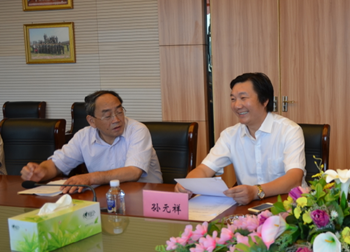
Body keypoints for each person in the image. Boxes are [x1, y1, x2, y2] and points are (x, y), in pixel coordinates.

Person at [176, 72, 306, 205]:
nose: (237, 105)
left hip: (290, 206)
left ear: (265, 100)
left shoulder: (289, 130)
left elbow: (294, 179)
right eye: (233, 99)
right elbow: (204, 170)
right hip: (250, 207)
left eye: (243, 98)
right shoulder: (230, 135)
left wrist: (256, 191)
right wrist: (187, 185)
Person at [21, 90, 162, 193]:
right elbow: (57, 164)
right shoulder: (84, 136)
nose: (116, 119)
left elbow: (133, 172)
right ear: (91, 121)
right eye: (108, 115)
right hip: (105, 197)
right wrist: (42, 171)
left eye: (119, 112)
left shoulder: (137, 130)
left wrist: (91, 178)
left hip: (145, 197)